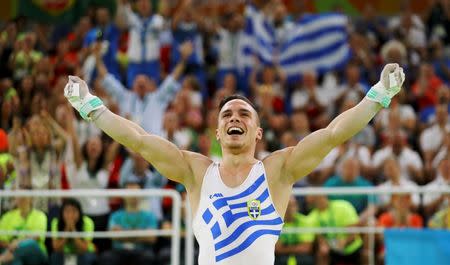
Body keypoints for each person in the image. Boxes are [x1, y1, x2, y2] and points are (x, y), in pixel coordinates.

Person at [63, 63, 405, 265]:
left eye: (243, 114)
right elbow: (138, 140)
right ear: (217, 131)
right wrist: (91, 106)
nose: (234, 118)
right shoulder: (196, 172)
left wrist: (378, 95)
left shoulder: (277, 171)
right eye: (226, 114)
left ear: (257, 132)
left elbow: (332, 134)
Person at [50, 198, 96, 265]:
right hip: (63, 253)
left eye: (74, 211)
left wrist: (73, 229)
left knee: (84, 258)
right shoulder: (56, 222)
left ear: (79, 212)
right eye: (67, 211)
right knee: (55, 257)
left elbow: (83, 249)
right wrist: (67, 230)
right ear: (62, 213)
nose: (70, 215)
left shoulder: (88, 222)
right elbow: (57, 248)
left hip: (84, 253)